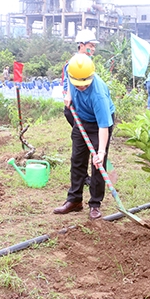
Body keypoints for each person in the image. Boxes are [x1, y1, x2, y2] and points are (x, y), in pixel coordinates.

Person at [53, 54, 115, 220]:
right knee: (77, 160)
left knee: (97, 164)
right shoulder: (71, 71)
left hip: (99, 124)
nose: (81, 87)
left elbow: (103, 126)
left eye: (84, 84)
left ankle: (95, 204)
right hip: (80, 119)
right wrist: (69, 95)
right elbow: (67, 76)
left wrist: (101, 152)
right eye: (77, 84)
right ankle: (74, 200)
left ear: (91, 76)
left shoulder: (98, 94)